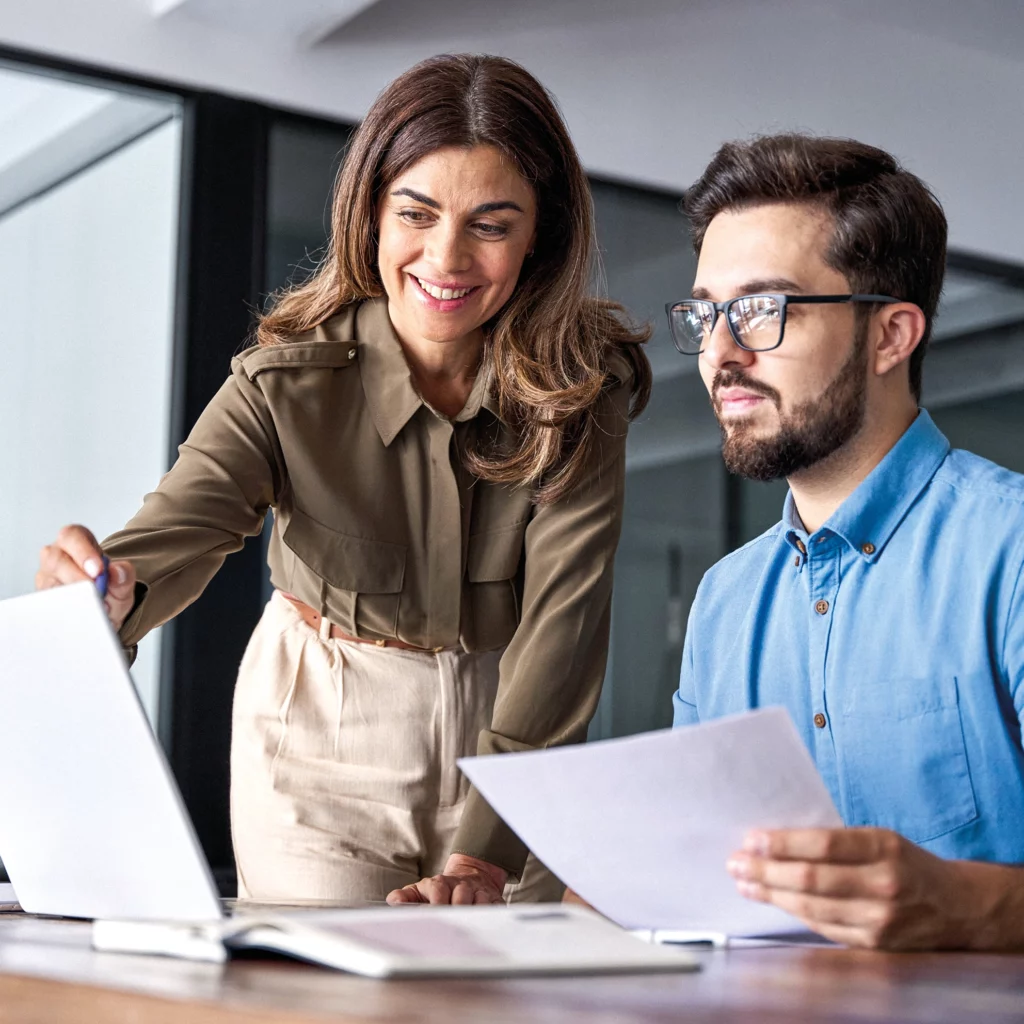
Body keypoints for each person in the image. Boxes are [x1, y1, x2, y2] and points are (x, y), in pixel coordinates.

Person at [35, 53, 651, 907]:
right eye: (417, 213)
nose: (448, 257)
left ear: (539, 234)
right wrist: (102, 595)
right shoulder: (283, 385)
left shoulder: (585, 388)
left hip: (517, 730)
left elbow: (566, 623)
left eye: (492, 223)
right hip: (323, 731)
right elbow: (174, 534)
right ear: (370, 214)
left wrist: (484, 854)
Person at [668, 134, 1024, 950]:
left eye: (761, 311)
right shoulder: (725, 602)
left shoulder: (1012, 555)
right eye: (706, 313)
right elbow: (689, 870)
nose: (719, 354)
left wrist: (970, 908)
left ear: (891, 336)